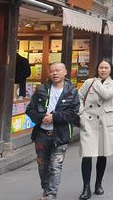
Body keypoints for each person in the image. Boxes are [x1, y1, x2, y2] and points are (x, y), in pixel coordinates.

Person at [25, 62, 79, 200]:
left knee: (55, 166)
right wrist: (42, 118)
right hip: (42, 135)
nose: (55, 73)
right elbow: (30, 109)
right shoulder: (41, 90)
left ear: (65, 72)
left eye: (58, 70)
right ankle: (45, 189)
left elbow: (73, 114)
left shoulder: (71, 92)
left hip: (60, 135)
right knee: (42, 165)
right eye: (52, 71)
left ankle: (51, 194)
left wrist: (54, 117)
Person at [77, 59, 113, 199]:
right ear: (97, 68)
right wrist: (81, 113)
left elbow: (107, 95)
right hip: (88, 122)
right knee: (87, 155)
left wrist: (96, 83)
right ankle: (86, 188)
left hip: (104, 122)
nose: (103, 70)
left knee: (102, 154)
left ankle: (98, 184)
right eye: (100, 67)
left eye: (106, 67)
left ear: (110, 69)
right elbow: (79, 96)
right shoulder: (88, 82)